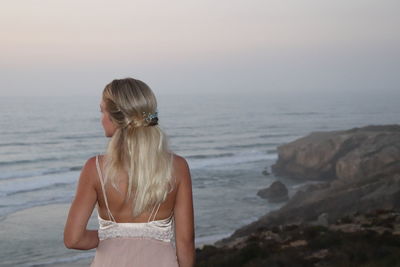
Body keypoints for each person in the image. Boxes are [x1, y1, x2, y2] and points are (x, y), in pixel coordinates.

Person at [64, 78, 195, 267]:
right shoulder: (178, 167)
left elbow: (73, 239)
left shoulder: (95, 168)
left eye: (102, 111)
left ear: (116, 117)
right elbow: (185, 243)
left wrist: (111, 236)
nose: (101, 119)